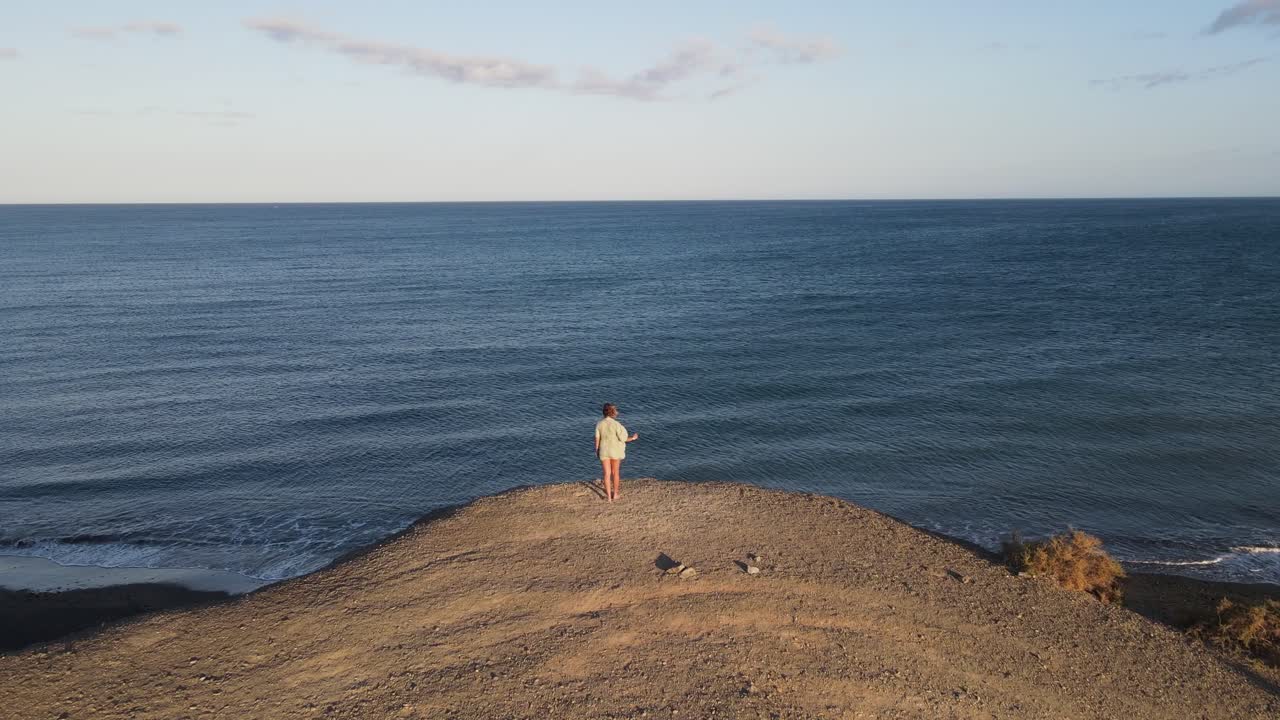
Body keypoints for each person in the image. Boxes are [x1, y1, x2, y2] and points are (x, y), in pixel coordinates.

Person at [594, 403, 638, 502]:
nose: (617, 412)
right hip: (615, 451)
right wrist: (633, 438)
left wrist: (596, 450)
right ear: (612, 412)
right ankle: (615, 494)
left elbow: (597, 438)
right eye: (615, 410)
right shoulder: (616, 424)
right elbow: (623, 438)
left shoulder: (599, 424)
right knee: (615, 473)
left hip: (604, 451)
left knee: (606, 474)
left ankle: (609, 497)